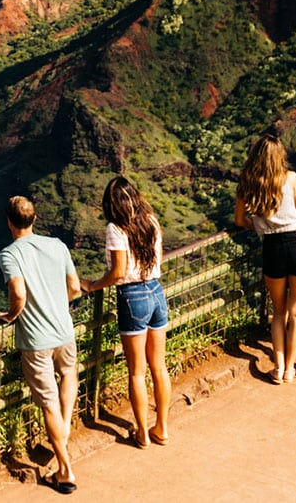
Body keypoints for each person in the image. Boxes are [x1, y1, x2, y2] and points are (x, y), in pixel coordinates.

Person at [0, 195, 83, 494]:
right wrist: (58, 305)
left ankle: (66, 469)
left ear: (9, 222)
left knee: (48, 402)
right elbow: (74, 287)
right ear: (34, 219)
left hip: (35, 340)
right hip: (64, 329)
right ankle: (65, 428)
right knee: (70, 374)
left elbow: (18, 294)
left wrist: (11, 315)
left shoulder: (9, 254)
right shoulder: (58, 245)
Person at [81, 176, 171, 448]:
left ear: (111, 204)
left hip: (132, 296)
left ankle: (142, 432)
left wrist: (93, 285)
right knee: (159, 365)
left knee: (136, 372)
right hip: (156, 290)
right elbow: (159, 258)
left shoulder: (116, 229)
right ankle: (162, 428)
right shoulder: (151, 221)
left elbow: (118, 272)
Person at [234, 131, 296, 384]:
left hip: (272, 248)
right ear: (279, 156)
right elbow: (294, 210)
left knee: (278, 313)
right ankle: (291, 368)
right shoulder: (291, 178)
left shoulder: (247, 185)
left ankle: (278, 368)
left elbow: (239, 220)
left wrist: (258, 226)